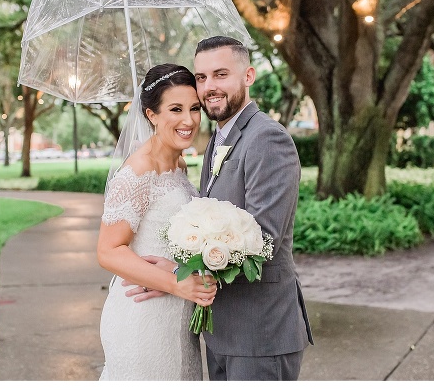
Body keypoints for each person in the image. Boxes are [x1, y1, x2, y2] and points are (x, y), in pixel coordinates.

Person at [126, 36, 313, 380]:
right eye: (201, 77)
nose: (209, 86)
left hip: (260, 331)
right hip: (222, 330)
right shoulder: (218, 138)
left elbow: (263, 241)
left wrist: (180, 275)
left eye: (220, 74)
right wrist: (177, 264)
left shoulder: (267, 138)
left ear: (248, 76)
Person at [97, 63, 217, 381]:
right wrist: (177, 283)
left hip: (177, 316)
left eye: (194, 108)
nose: (189, 120)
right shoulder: (137, 172)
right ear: (151, 115)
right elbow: (108, 251)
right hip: (141, 320)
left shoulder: (179, 164)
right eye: (175, 109)